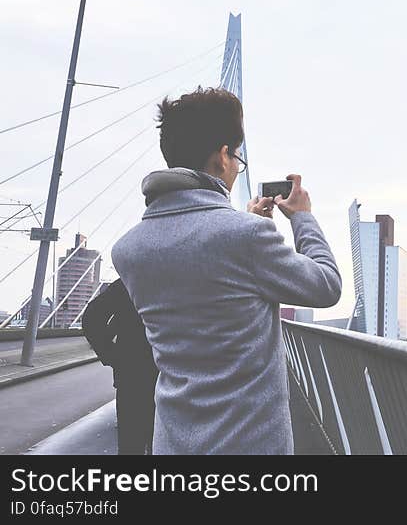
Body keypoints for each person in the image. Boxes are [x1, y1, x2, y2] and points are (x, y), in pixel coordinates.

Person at [111, 86, 342, 455]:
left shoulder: (129, 250)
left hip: (172, 445)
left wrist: (246, 227)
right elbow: (326, 286)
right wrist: (303, 219)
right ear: (222, 157)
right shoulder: (246, 238)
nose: (236, 167)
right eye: (237, 158)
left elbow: (202, 271)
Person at [82, 278, 159, 455]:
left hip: (131, 380)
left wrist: (113, 357)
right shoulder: (187, 276)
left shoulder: (131, 279)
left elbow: (91, 319)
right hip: (172, 380)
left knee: (131, 447)